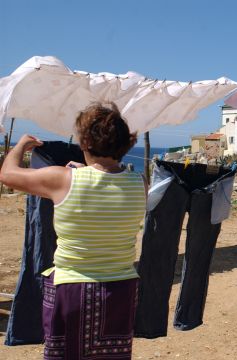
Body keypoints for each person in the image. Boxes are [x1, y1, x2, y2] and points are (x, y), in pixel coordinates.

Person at [0, 103, 146, 359]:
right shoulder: (139, 182)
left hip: (73, 290)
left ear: (86, 141)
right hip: (121, 290)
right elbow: (105, 185)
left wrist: (21, 145)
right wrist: (82, 172)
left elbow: (8, 175)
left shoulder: (63, 179)